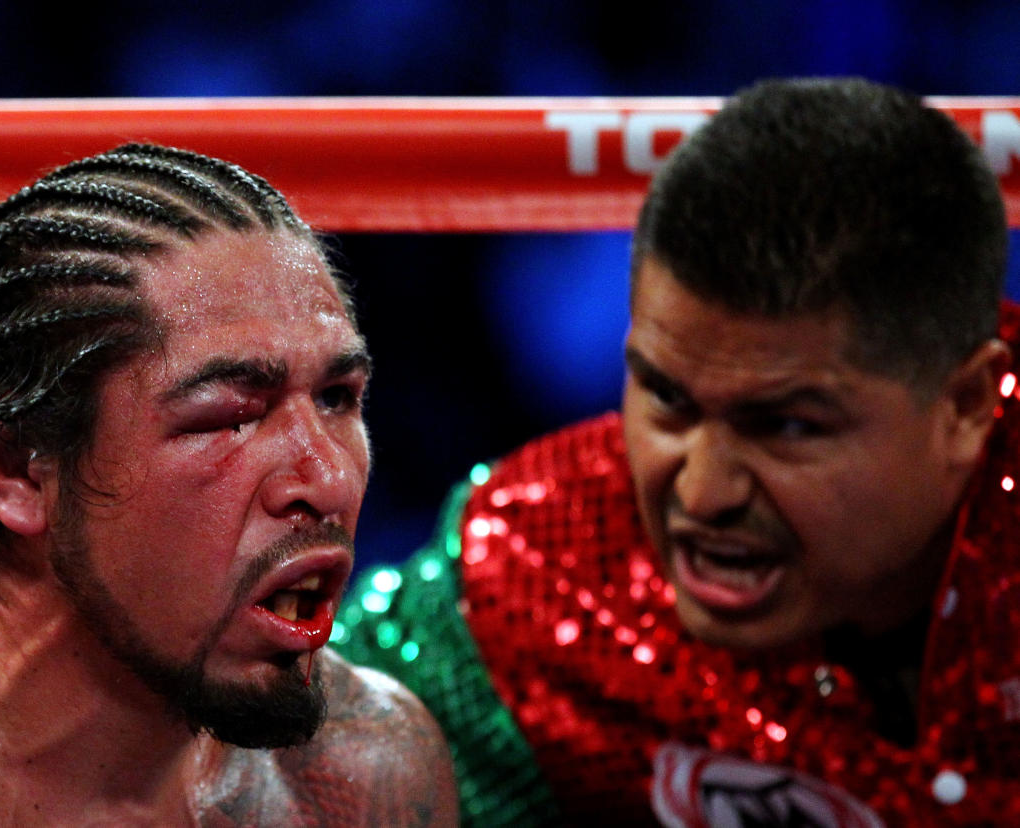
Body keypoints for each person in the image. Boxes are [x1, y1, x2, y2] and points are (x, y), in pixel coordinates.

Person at [335, 77, 1020, 825]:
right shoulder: (547, 562)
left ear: (965, 407)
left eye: (786, 427)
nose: (702, 493)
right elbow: (278, 760)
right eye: (667, 399)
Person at [0, 143, 458, 826]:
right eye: (233, 417)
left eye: (338, 398)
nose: (330, 478)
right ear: (14, 470)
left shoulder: (367, 772)